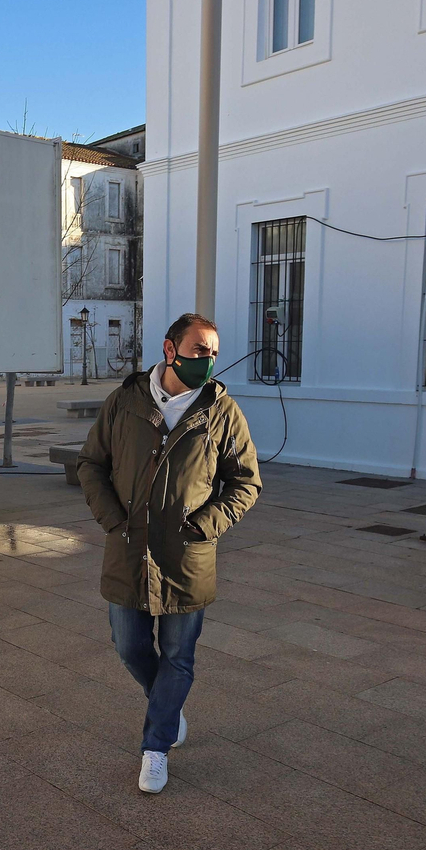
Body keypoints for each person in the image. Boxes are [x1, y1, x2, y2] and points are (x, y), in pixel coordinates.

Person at [76, 312, 262, 794]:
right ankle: (169, 708)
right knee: (128, 644)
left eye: (214, 351)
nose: (209, 359)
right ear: (169, 349)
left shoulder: (222, 411)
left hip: (187, 558)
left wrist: (205, 525)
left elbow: (246, 483)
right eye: (200, 349)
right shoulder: (125, 401)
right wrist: (113, 520)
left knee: (179, 656)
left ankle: (155, 748)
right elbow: (91, 465)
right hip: (127, 550)